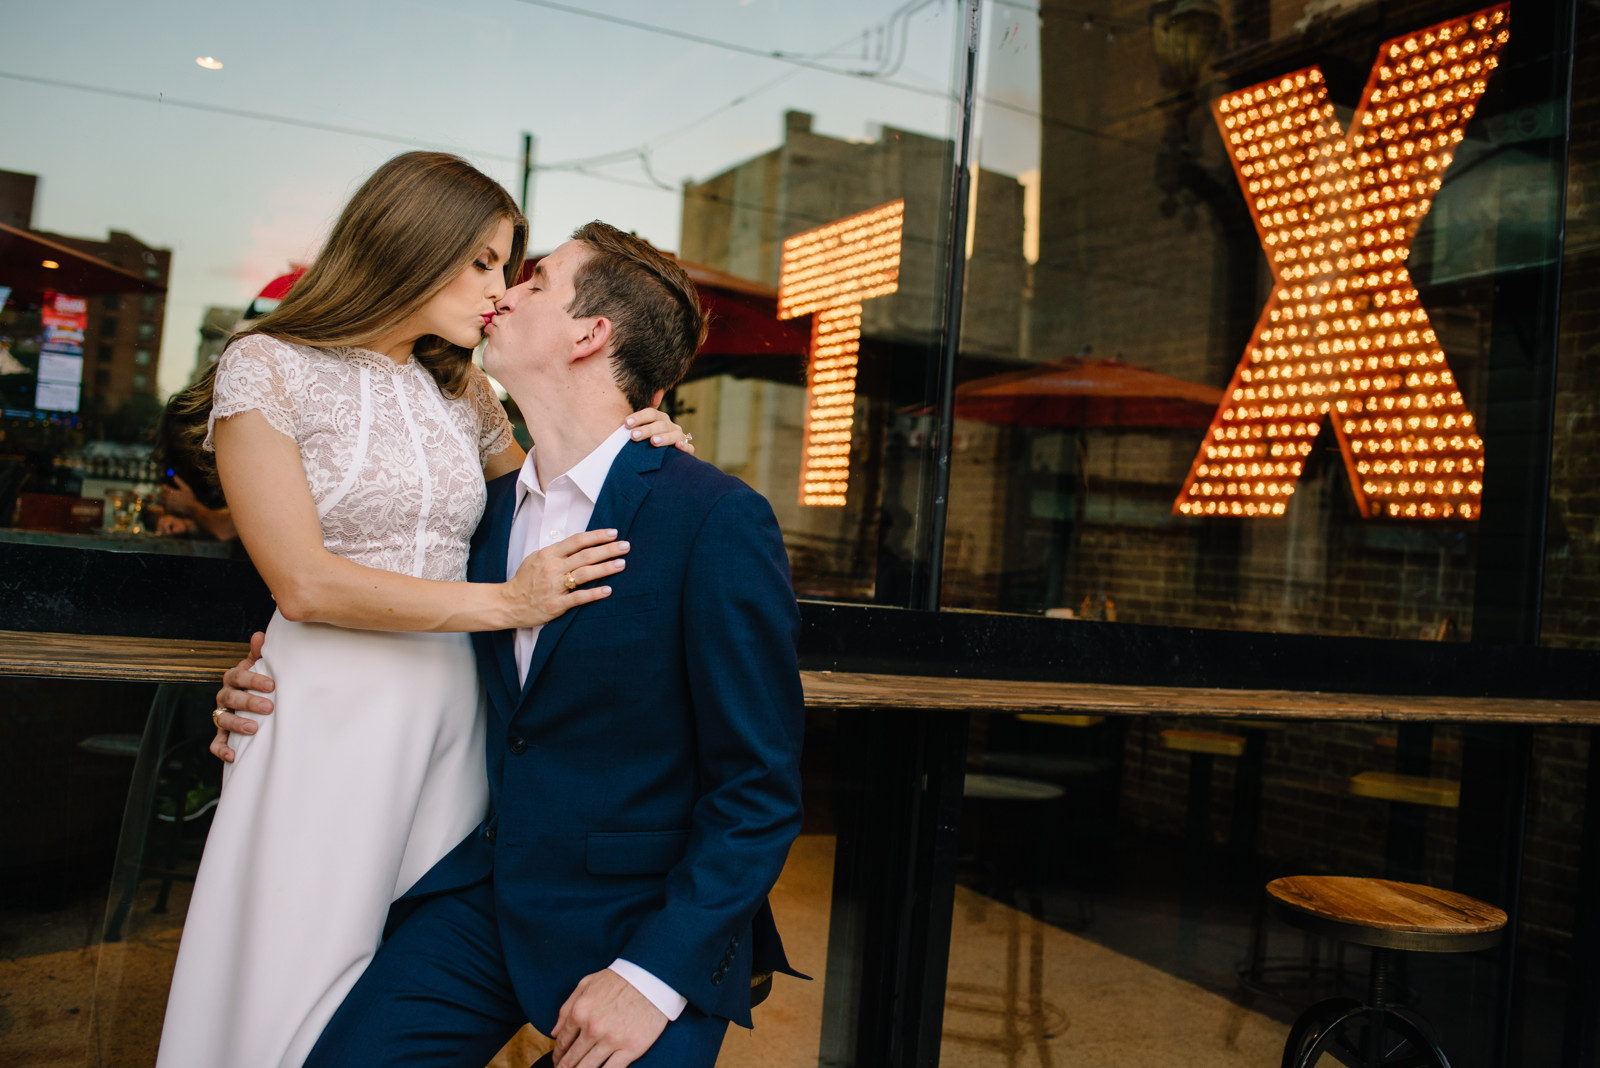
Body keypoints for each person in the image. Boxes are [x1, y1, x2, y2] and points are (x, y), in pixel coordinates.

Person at [214, 221, 807, 1068]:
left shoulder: (710, 517)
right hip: (486, 900)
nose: (504, 292)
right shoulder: (481, 517)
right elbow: (382, 605)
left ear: (589, 333)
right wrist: (271, 679)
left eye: (534, 282)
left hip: (643, 920)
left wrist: (650, 975)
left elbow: (758, 790)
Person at [155, 153, 693, 1068]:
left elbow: (556, 496)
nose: (499, 290)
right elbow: (303, 583)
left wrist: (652, 439)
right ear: (413, 242)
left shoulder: (468, 395)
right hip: (324, 715)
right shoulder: (265, 368)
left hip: (454, 721)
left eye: (512, 266)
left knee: (398, 982)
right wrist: (509, 601)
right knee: (289, 966)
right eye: (484, 262)